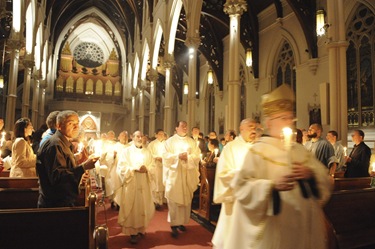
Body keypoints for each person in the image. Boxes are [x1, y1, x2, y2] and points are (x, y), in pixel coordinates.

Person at [225, 84, 332, 249]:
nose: (289, 122)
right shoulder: (258, 151)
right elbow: (241, 187)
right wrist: (271, 186)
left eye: (291, 118)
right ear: (269, 123)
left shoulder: (300, 150)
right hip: (274, 232)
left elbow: (323, 178)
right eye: (283, 118)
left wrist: (310, 174)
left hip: (304, 231)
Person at [212, 118, 258, 249]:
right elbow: (223, 173)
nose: (253, 130)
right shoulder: (230, 148)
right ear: (241, 129)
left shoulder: (259, 148)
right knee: (232, 237)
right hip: (236, 199)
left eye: (255, 127)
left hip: (255, 198)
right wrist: (244, 174)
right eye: (250, 127)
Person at [36, 110, 98, 208]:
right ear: (59, 126)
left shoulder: (63, 143)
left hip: (62, 201)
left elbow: (66, 170)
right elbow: (57, 178)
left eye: (77, 123)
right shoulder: (55, 145)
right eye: (71, 123)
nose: (76, 127)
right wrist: (83, 167)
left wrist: (80, 176)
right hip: (54, 204)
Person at [115, 130, 155, 244]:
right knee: (133, 206)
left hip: (144, 183)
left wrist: (147, 169)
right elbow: (121, 167)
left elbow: (153, 166)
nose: (140, 138)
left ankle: (141, 229)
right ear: (132, 137)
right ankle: (132, 232)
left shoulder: (147, 152)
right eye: (137, 136)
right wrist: (134, 169)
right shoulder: (126, 151)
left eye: (141, 136)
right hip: (132, 182)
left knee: (143, 205)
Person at [162, 121, 200, 238]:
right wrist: (178, 156)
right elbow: (165, 157)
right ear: (176, 128)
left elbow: (196, 156)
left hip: (187, 175)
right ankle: (174, 225)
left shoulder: (191, 142)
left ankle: (181, 222)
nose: (185, 128)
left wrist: (188, 157)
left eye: (186, 126)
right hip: (175, 175)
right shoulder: (169, 142)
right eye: (182, 126)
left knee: (185, 199)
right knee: (174, 199)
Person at [147, 128, 166, 209]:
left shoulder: (167, 144)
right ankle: (155, 201)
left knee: (162, 183)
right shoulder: (152, 144)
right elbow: (149, 154)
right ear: (156, 135)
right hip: (155, 165)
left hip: (164, 166)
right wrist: (156, 157)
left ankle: (162, 200)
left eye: (162, 134)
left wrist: (164, 158)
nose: (161, 135)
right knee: (156, 184)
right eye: (160, 134)